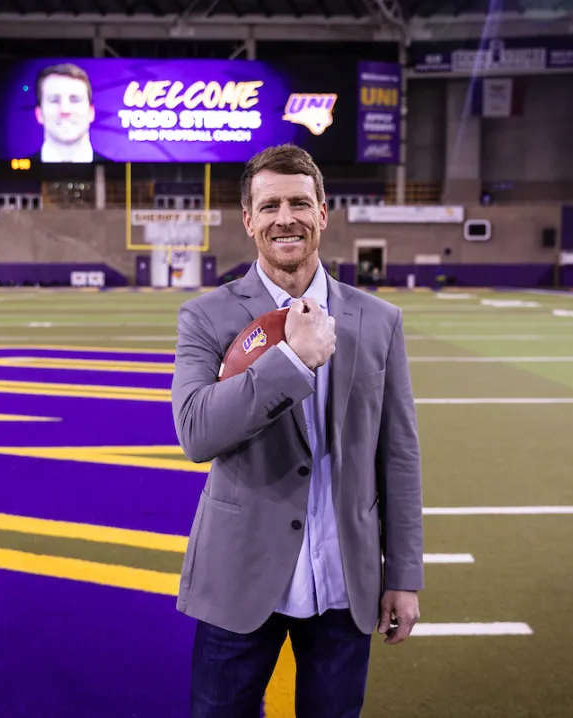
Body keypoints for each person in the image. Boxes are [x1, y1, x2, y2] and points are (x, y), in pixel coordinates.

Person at [171, 143, 424, 718]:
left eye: (299, 203)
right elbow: (195, 433)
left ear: (323, 212)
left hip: (344, 580)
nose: (286, 218)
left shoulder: (379, 320)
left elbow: (400, 455)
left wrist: (403, 575)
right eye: (270, 206)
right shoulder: (205, 317)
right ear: (248, 220)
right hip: (240, 577)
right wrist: (289, 360)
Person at [32, 63, 105, 163]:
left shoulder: (118, 174)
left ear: (91, 112)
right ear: (39, 114)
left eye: (75, 100)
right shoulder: (14, 176)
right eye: (54, 100)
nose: (65, 110)